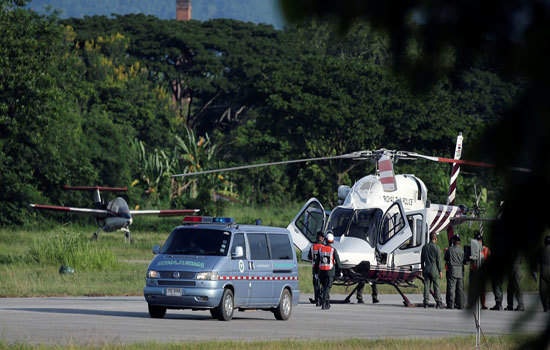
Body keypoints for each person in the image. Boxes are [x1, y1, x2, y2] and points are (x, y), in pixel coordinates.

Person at [316, 232, 342, 310]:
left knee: (324, 287)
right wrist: (340, 271)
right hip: (330, 271)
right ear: (332, 240)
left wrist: (316, 272)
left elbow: (317, 262)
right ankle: (324, 303)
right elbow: (338, 262)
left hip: (321, 271)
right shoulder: (333, 250)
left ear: (325, 240)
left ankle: (327, 303)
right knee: (327, 287)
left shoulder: (320, 249)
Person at [421, 232, 443, 308]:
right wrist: (440, 271)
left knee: (427, 285)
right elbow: (439, 261)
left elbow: (422, 260)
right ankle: (438, 302)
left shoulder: (424, 247)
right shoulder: (437, 248)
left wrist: (423, 269)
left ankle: (426, 302)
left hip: (426, 267)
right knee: (436, 286)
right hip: (434, 268)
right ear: (435, 238)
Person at [469, 232, 490, 309]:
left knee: (482, 289)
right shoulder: (473, 248)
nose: (479, 242)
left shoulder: (485, 249)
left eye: (480, 240)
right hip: (474, 270)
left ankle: (483, 304)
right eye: (478, 240)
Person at [445, 235, 464, 309]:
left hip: (452, 270)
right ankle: (461, 304)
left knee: (451, 288)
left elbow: (446, 258)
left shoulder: (450, 249)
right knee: (460, 289)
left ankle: (451, 305)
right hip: (460, 270)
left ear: (454, 241)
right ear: (459, 242)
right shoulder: (462, 250)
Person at [308, 231, 325, 306]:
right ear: (321, 238)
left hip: (315, 269)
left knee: (316, 285)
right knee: (323, 284)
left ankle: (317, 299)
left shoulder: (312, 247)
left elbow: (309, 257)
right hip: (322, 269)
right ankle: (321, 297)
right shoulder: (324, 247)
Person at [539, 235, 550, 312]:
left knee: (542, 292)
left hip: (543, 273)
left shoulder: (541, 250)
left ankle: (545, 307)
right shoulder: (542, 250)